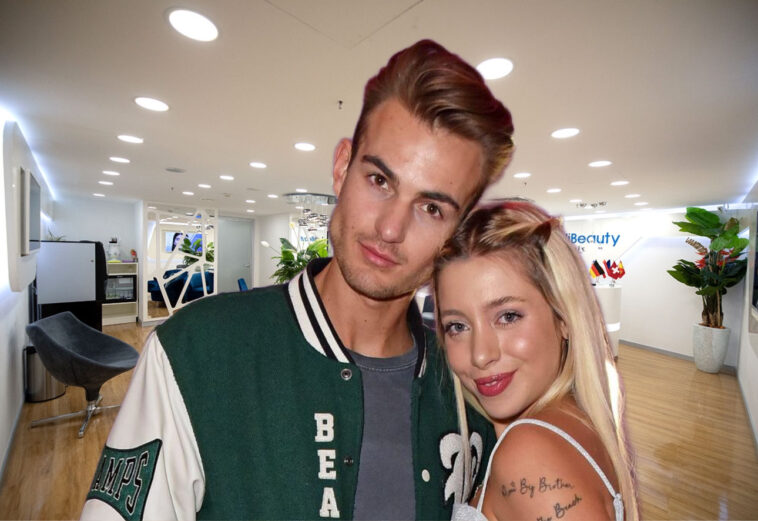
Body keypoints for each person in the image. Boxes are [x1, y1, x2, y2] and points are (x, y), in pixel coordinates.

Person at [81, 39, 514, 521]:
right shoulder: (196, 353)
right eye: (379, 181)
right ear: (342, 167)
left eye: (431, 208)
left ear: (457, 231)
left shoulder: (468, 384)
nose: (390, 229)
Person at [433, 201, 639, 521]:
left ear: (564, 318)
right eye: (457, 326)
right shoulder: (575, 421)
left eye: (508, 316)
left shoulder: (530, 457)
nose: (481, 355)